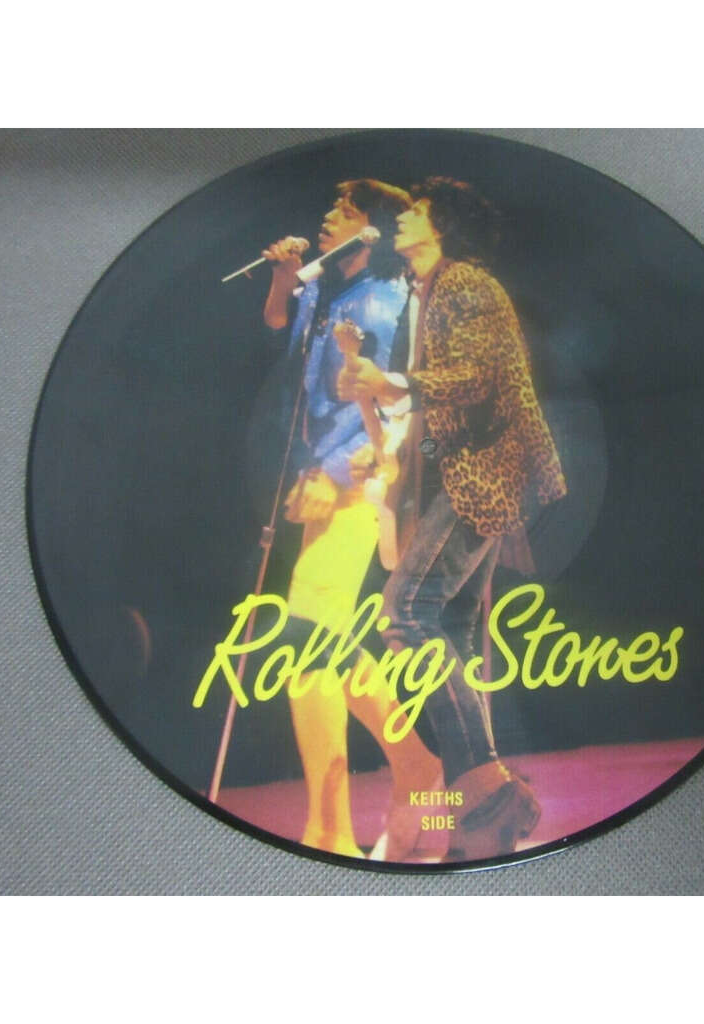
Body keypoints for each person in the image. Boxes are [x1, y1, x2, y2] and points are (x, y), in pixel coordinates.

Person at [338, 177, 568, 861]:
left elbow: (475, 377)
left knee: (406, 612)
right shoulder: (427, 288)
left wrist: (390, 383)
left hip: (484, 473)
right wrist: (377, 399)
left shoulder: (467, 285)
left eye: (415, 211)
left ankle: (490, 789)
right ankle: (481, 817)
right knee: (457, 634)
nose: (401, 218)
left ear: (442, 227)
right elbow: (428, 395)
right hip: (456, 471)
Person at [260, 180, 441, 859]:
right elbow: (279, 324)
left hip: (366, 473)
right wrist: (284, 278)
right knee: (323, 636)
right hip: (322, 472)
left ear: (374, 232)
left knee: (305, 635)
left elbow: (394, 403)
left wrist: (335, 473)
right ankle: (415, 764)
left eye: (347, 211)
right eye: (331, 206)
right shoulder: (326, 290)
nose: (328, 216)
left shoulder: (386, 301)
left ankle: (330, 829)